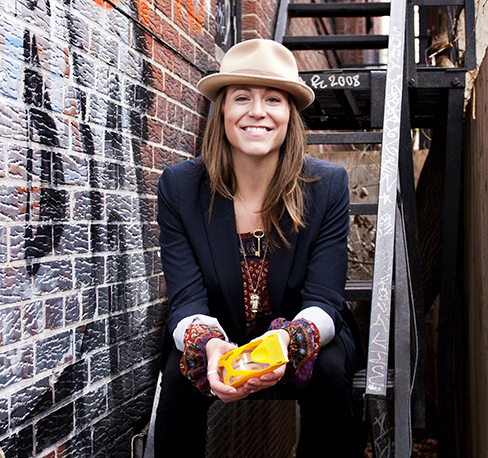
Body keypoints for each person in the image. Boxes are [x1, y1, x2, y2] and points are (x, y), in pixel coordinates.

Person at [154, 38, 362, 457]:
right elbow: (186, 298)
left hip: (301, 335)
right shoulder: (179, 188)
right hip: (221, 331)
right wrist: (213, 348)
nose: (257, 112)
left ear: (289, 115)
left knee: (330, 367)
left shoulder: (327, 187)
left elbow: (324, 299)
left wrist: (281, 345)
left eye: (273, 99)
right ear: (223, 112)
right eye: (242, 98)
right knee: (179, 376)